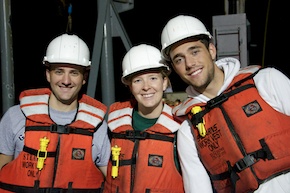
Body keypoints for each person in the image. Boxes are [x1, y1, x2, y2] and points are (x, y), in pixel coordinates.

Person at [160, 14, 290, 193]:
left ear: (211, 50)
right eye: (179, 59)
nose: (189, 64)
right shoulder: (188, 131)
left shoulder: (266, 81)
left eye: (195, 51)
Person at [0, 33, 110, 192]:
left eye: (74, 73)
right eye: (59, 71)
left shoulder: (98, 127)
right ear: (48, 74)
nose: (66, 81)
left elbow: (116, 183)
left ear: (84, 77)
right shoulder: (14, 117)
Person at [103, 44, 212, 193]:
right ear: (130, 86)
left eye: (153, 78)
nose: (146, 87)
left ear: (164, 82)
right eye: (137, 81)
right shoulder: (113, 126)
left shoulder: (182, 127)